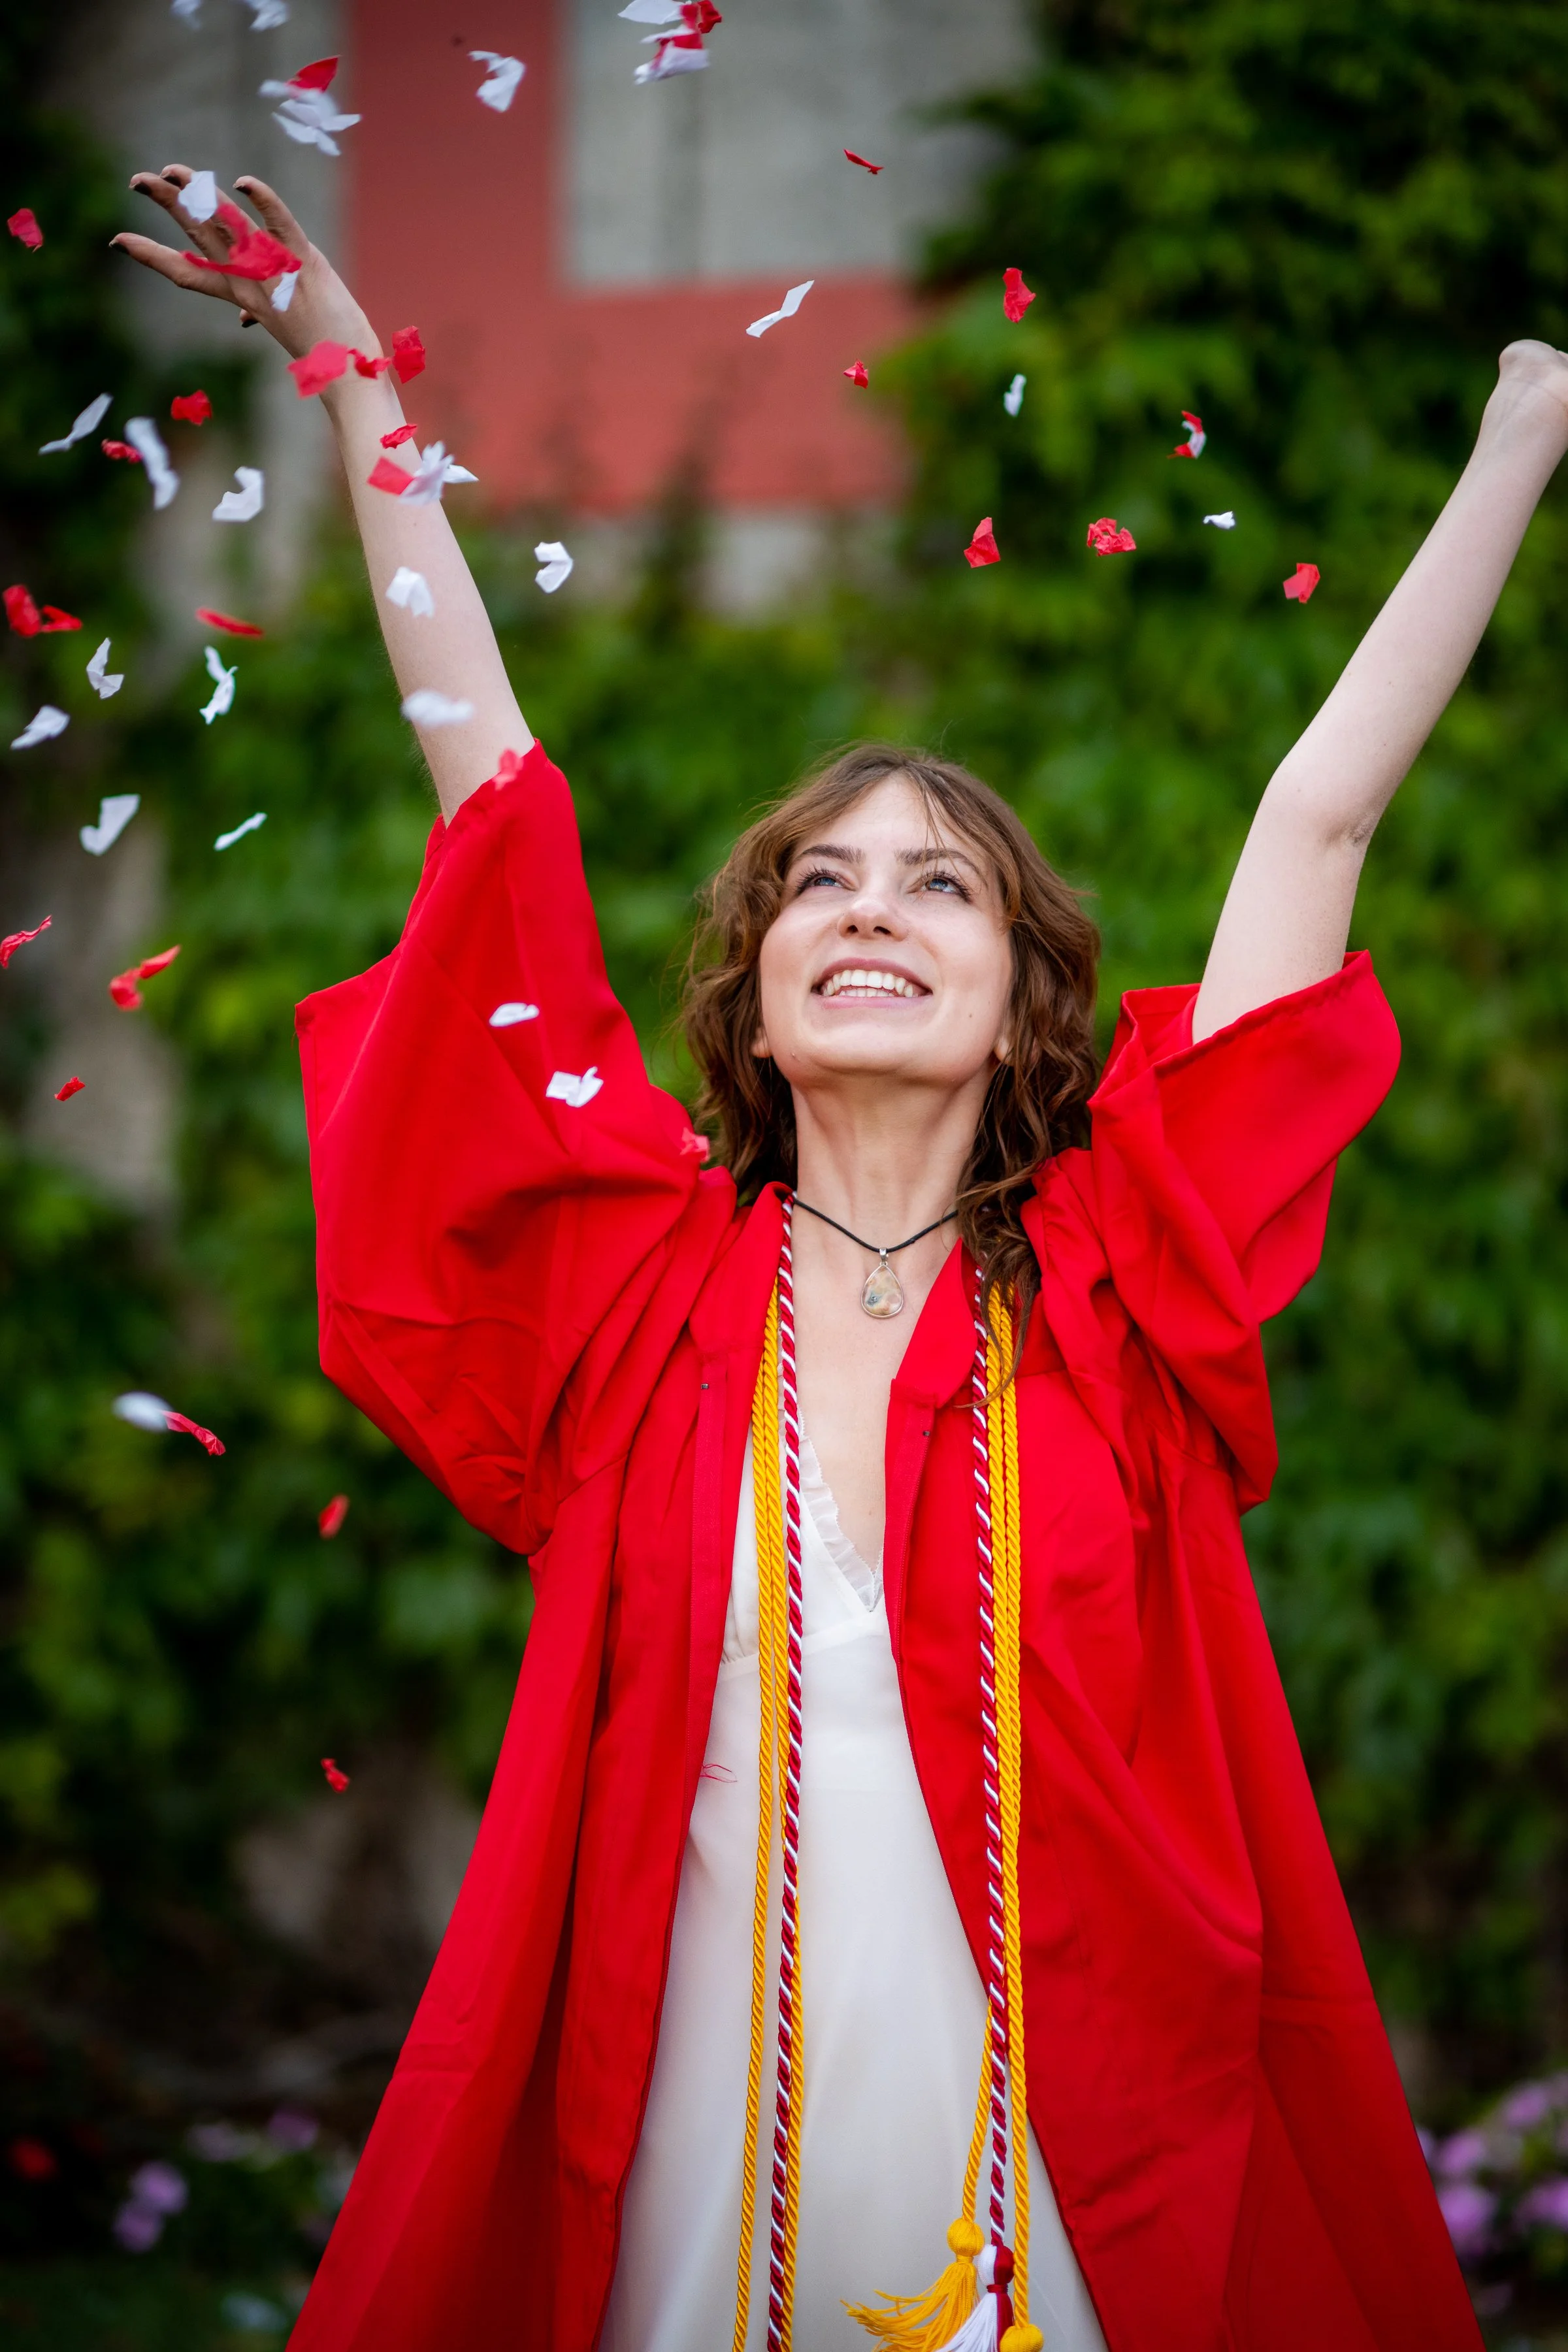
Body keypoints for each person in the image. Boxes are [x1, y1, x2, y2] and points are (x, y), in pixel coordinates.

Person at [113, 166, 1565, 2352]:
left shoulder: (1119, 1287)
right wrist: (345, 368)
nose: (872, 906)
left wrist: (1524, 441)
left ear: (1025, 1000)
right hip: (696, 2070)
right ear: (757, 988)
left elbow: (1320, 820)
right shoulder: (638, 1295)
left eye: (940, 887)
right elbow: (484, 779)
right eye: (822, 881)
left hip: (1075, 2095)